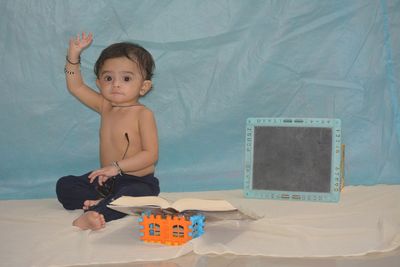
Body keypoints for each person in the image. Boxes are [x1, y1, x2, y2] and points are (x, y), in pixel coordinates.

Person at [56, 32, 160, 230]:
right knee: (65, 185)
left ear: (144, 87)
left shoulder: (143, 114)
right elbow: (76, 87)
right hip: (106, 181)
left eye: (127, 78)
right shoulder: (105, 106)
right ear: (99, 84)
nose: (116, 84)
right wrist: (73, 57)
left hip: (137, 181)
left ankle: (97, 212)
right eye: (108, 77)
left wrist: (117, 167)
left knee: (134, 196)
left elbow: (151, 154)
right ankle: (102, 201)